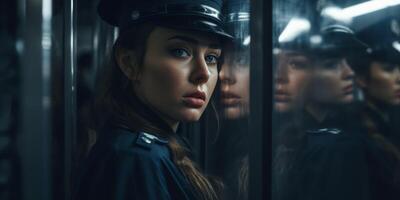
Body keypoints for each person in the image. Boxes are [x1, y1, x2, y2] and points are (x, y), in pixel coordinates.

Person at [73, 0, 232, 200]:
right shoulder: (137, 158)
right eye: (180, 51)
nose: (204, 74)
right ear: (129, 63)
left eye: (211, 57)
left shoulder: (149, 148)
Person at [272, 9, 371, 199]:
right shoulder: (327, 146)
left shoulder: (344, 132)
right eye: (331, 65)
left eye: (347, 62)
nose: (349, 73)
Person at [351, 17, 400, 200]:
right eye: (389, 69)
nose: (399, 78)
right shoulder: (357, 137)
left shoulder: (387, 123)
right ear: (362, 79)